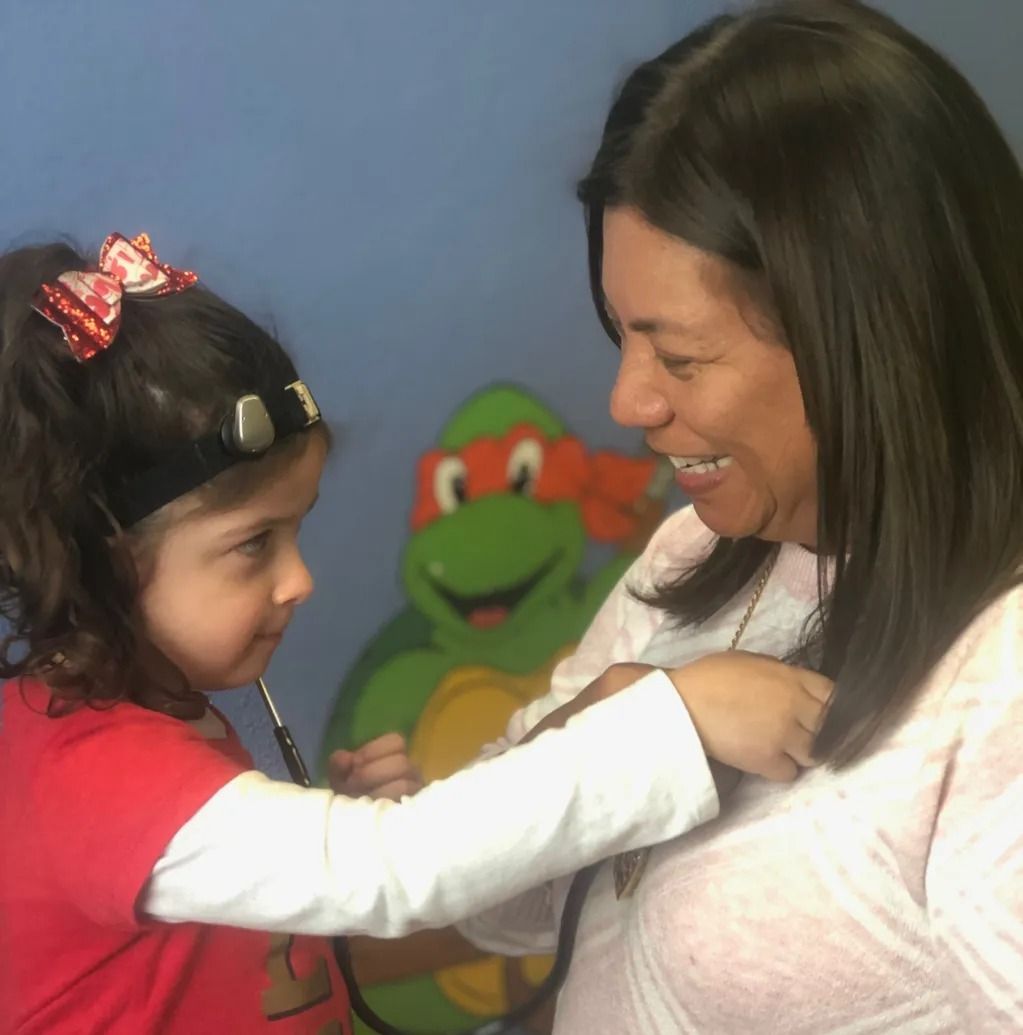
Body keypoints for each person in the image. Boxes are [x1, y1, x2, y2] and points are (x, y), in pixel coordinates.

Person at [0, 233, 830, 1034]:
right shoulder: (81, 772)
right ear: (97, 561)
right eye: (253, 545)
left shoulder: (145, 718)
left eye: (295, 533)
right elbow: (388, 872)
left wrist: (320, 835)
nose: (298, 580)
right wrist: (669, 724)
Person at [458, 1, 1023, 1031]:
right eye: (620, 336)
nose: (629, 404)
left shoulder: (1003, 690)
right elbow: (494, 907)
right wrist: (604, 735)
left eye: (680, 357)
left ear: (870, 335)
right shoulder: (698, 551)